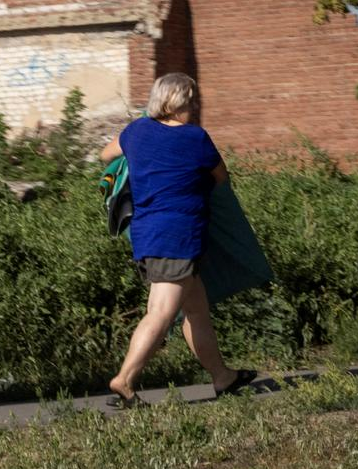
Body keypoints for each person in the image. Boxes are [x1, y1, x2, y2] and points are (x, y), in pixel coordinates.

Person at [99, 73, 257, 408]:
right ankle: (124, 380)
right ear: (178, 102)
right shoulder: (195, 138)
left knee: (196, 310)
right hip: (179, 236)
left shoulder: (136, 132)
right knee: (160, 313)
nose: (194, 107)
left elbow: (105, 155)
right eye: (191, 101)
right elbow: (220, 178)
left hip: (146, 235)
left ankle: (222, 377)